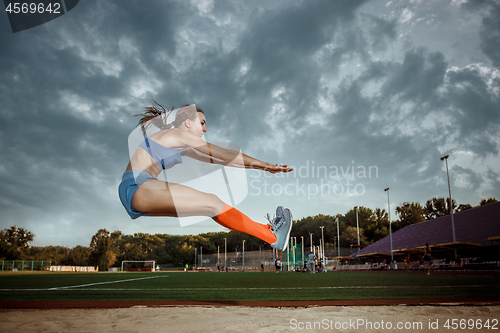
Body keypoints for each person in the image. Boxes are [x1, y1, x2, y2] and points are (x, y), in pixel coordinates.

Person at [118, 102, 293, 250]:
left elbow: (224, 160)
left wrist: (264, 167)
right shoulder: (179, 134)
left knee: (211, 207)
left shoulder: (181, 144)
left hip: (138, 190)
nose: (205, 129)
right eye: (201, 123)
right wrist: (267, 165)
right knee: (212, 202)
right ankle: (271, 235)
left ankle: (269, 234)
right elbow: (224, 154)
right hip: (137, 186)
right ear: (187, 122)